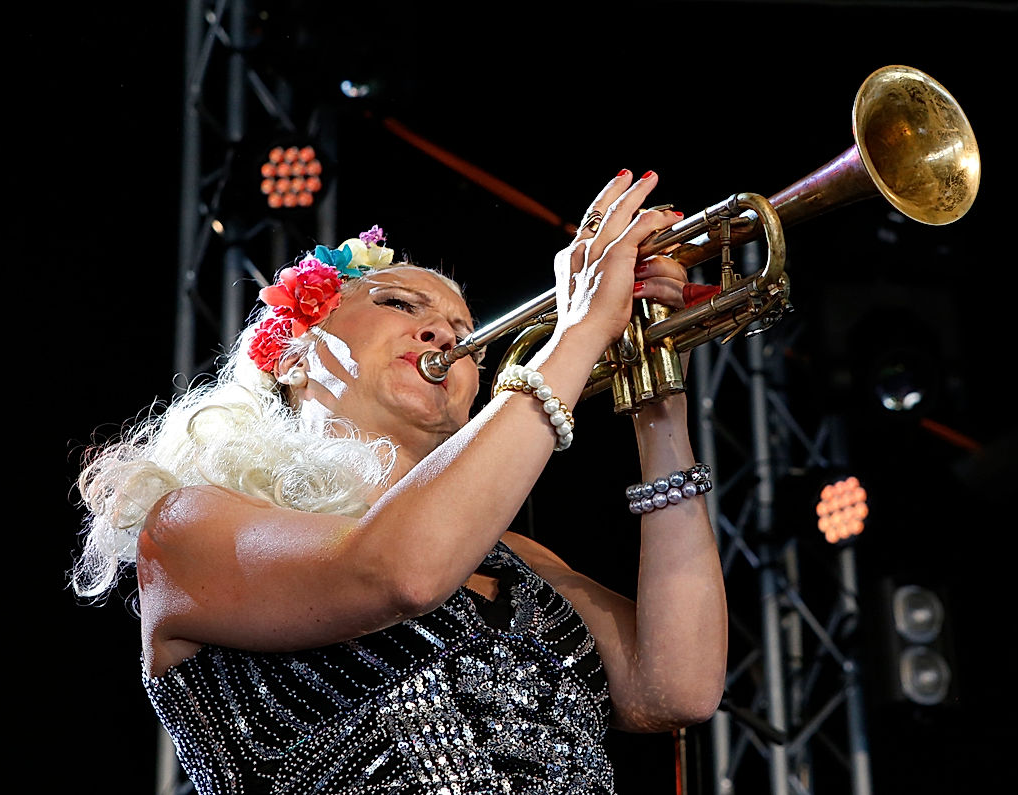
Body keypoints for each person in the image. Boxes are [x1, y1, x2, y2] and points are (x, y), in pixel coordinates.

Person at [72, 169, 728, 794]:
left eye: (466, 336)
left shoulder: (518, 560)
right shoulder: (188, 526)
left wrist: (659, 396)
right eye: (397, 303)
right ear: (295, 356)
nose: (445, 333)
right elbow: (402, 572)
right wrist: (580, 331)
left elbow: (679, 687)